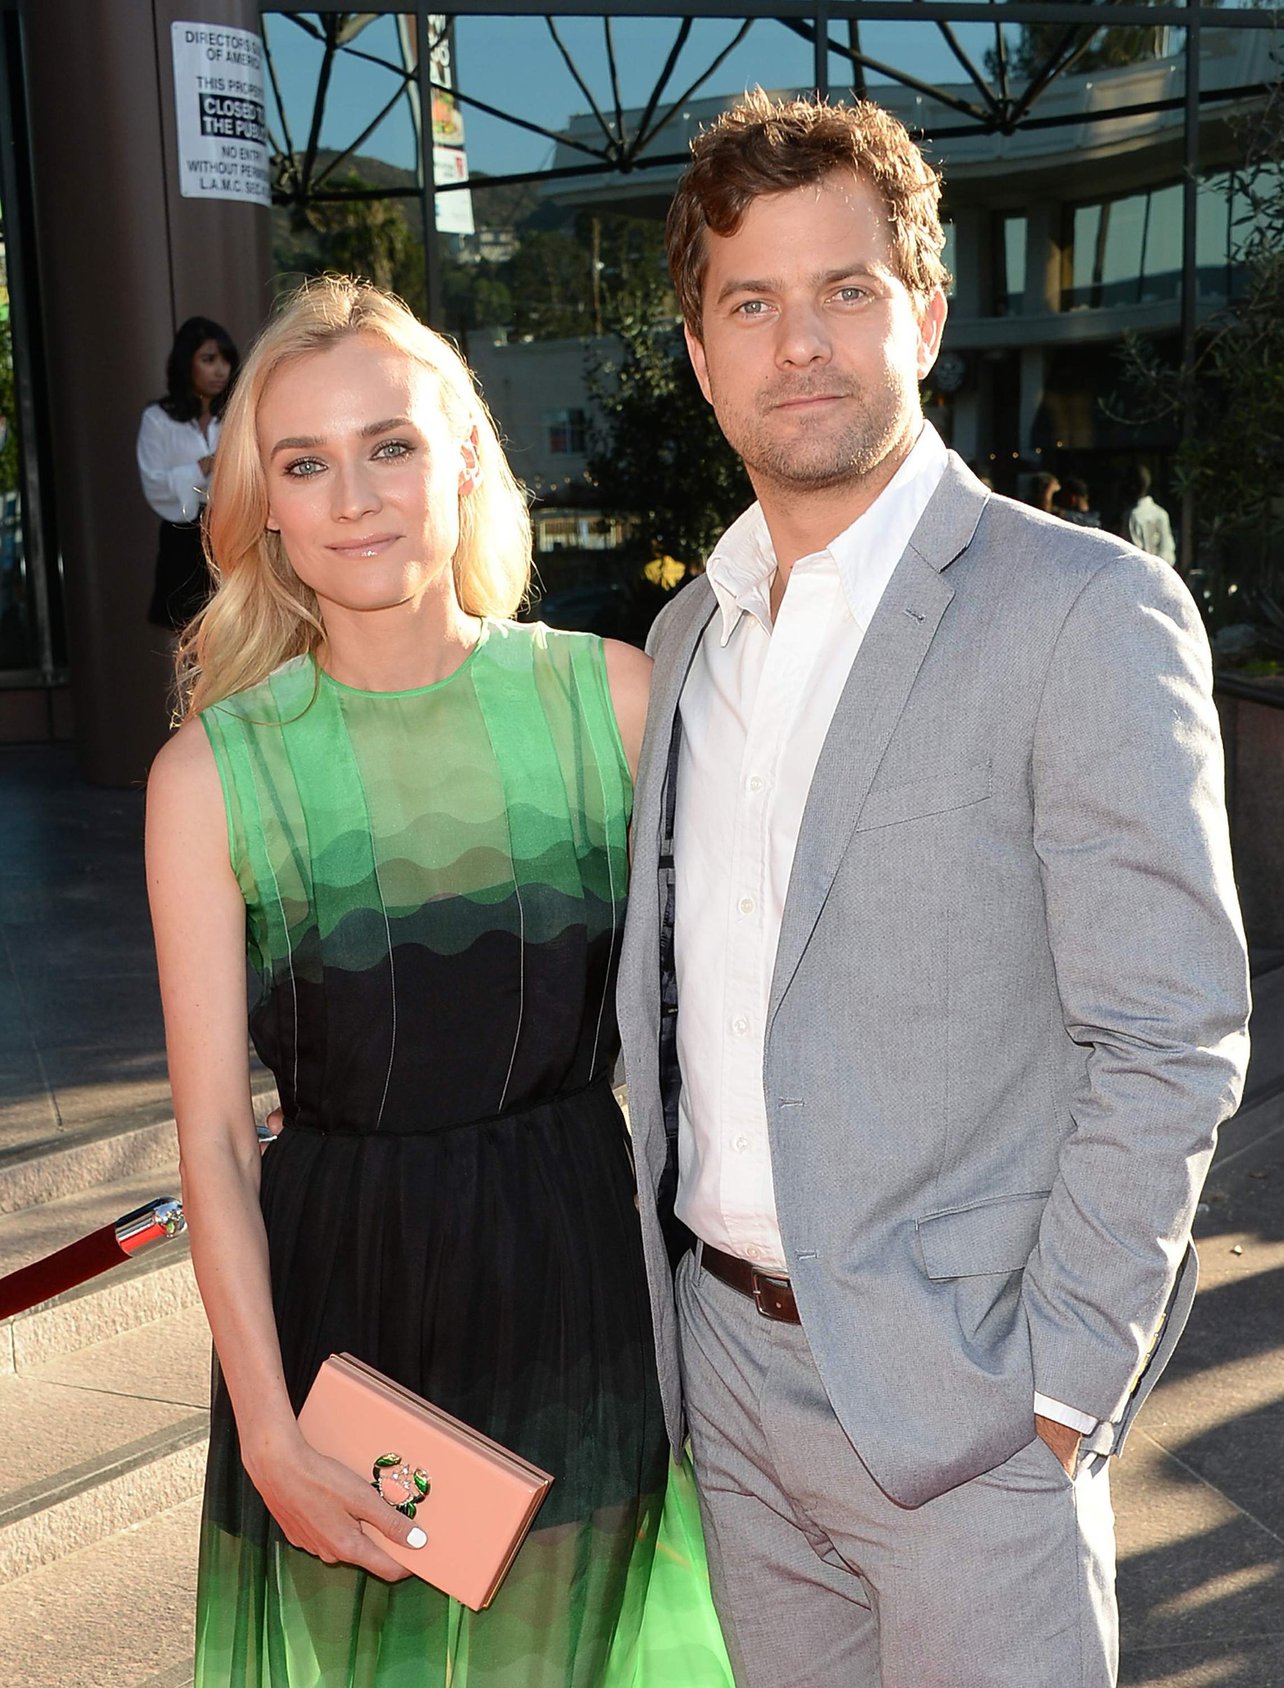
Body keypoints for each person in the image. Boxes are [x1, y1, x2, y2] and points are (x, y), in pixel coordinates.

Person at [617, 92, 1251, 1688]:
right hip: (728, 1386)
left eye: (845, 290)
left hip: (967, 1410)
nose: (800, 343)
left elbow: (1170, 1035)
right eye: (750, 305)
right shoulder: (695, 638)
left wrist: (1057, 1391)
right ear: (702, 356)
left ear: (929, 313)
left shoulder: (1083, 609)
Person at [146, 277, 728, 1687]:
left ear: (465, 457)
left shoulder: (613, 701)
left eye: (390, 445)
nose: (353, 496)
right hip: (349, 1310)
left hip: (578, 1278)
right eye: (305, 462)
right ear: (261, 505)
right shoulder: (215, 774)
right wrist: (271, 1423)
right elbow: (217, 1137)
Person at [137, 316, 239, 629]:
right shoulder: (159, 419)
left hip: (233, 529)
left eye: (225, 360)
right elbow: (154, 481)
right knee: (187, 634)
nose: (220, 369)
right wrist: (203, 465)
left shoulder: (238, 412)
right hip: (183, 537)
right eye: (209, 359)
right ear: (187, 363)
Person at [1122, 463, 1177, 564]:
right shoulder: (1161, 513)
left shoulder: (1132, 516)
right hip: (1163, 571)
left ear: (1132, 487)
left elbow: (1129, 552)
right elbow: (1168, 550)